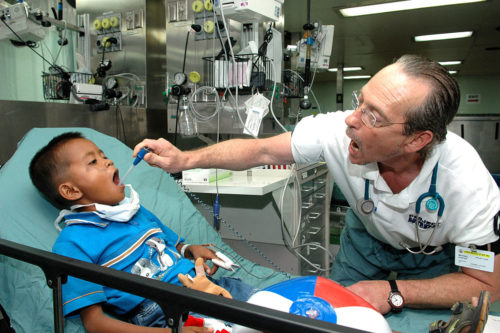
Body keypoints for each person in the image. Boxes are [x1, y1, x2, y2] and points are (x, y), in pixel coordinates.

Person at [134, 54, 500, 316]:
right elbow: (260, 150)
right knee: (332, 312)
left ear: (416, 140)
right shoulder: (338, 131)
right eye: (361, 100)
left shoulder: (467, 185)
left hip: (434, 258)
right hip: (366, 241)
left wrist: (393, 292)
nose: (351, 121)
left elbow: (486, 283)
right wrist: (184, 160)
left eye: (373, 116)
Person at [29, 132, 257, 333]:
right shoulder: (73, 243)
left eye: (104, 155)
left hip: (210, 286)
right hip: (166, 312)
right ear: (70, 190)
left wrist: (192, 250)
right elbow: (95, 324)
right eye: (93, 161)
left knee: (276, 309)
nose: (107, 162)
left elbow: (175, 246)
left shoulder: (135, 212)